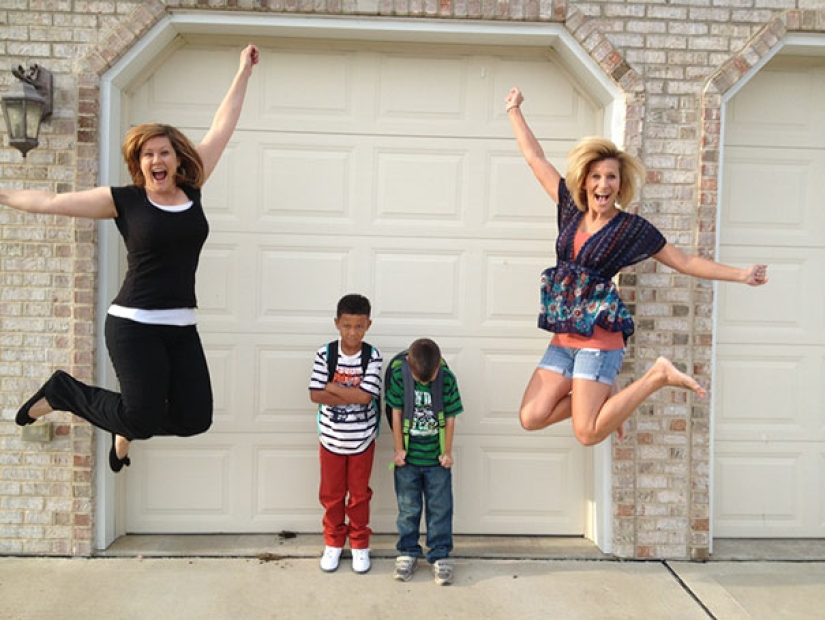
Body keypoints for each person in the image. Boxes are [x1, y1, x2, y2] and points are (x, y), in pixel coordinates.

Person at [5, 44, 260, 472]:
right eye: (147, 153)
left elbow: (222, 127)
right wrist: (3, 194)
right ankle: (63, 392)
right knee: (140, 413)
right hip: (134, 325)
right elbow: (51, 201)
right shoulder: (125, 201)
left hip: (181, 326)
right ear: (138, 163)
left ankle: (126, 430)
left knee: (196, 418)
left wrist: (242, 73)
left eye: (163, 151)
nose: (156, 159)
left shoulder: (192, 189)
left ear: (178, 159)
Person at [505, 87, 769, 446]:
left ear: (620, 183)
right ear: (585, 180)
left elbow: (684, 261)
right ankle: (605, 396)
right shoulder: (570, 209)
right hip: (564, 338)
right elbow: (535, 159)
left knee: (586, 432)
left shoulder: (631, 229)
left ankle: (656, 376)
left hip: (599, 339)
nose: (603, 184)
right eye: (596, 176)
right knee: (531, 416)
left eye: (611, 177)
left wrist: (741, 274)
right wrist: (514, 111)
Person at [308, 293, 382, 575]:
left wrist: (333, 387)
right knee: (332, 494)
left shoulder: (371, 355)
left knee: (360, 495)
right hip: (330, 439)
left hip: (362, 440)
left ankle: (360, 544)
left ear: (368, 325)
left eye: (359, 326)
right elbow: (316, 394)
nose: (353, 332)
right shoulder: (325, 354)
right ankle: (334, 542)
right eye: (347, 325)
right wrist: (351, 393)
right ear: (337, 323)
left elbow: (366, 398)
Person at [386, 338, 463, 586]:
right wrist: (399, 449)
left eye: (429, 379)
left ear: (439, 365)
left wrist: (447, 451)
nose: (424, 383)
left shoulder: (447, 380)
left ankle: (440, 555)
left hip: (436, 461)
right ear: (409, 364)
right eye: (421, 379)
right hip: (408, 460)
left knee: (440, 508)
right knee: (408, 509)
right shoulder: (401, 377)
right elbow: (395, 413)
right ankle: (408, 551)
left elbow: (450, 418)